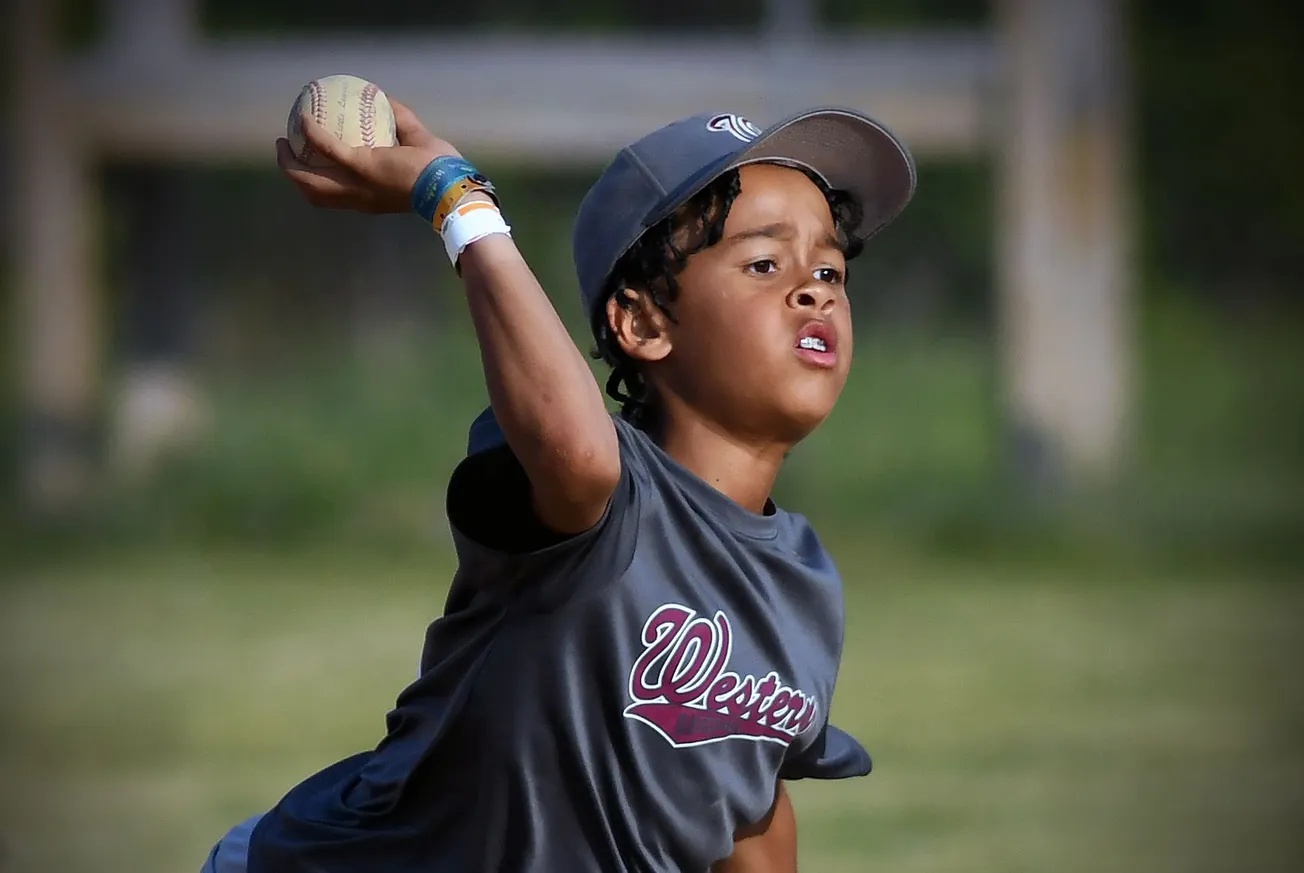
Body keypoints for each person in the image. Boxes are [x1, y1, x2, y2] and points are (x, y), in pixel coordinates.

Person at [201, 97, 915, 873]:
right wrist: (453, 197)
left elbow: (747, 804)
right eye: (764, 264)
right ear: (642, 324)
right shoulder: (605, 497)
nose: (814, 290)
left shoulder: (802, 585)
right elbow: (577, 450)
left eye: (829, 269)